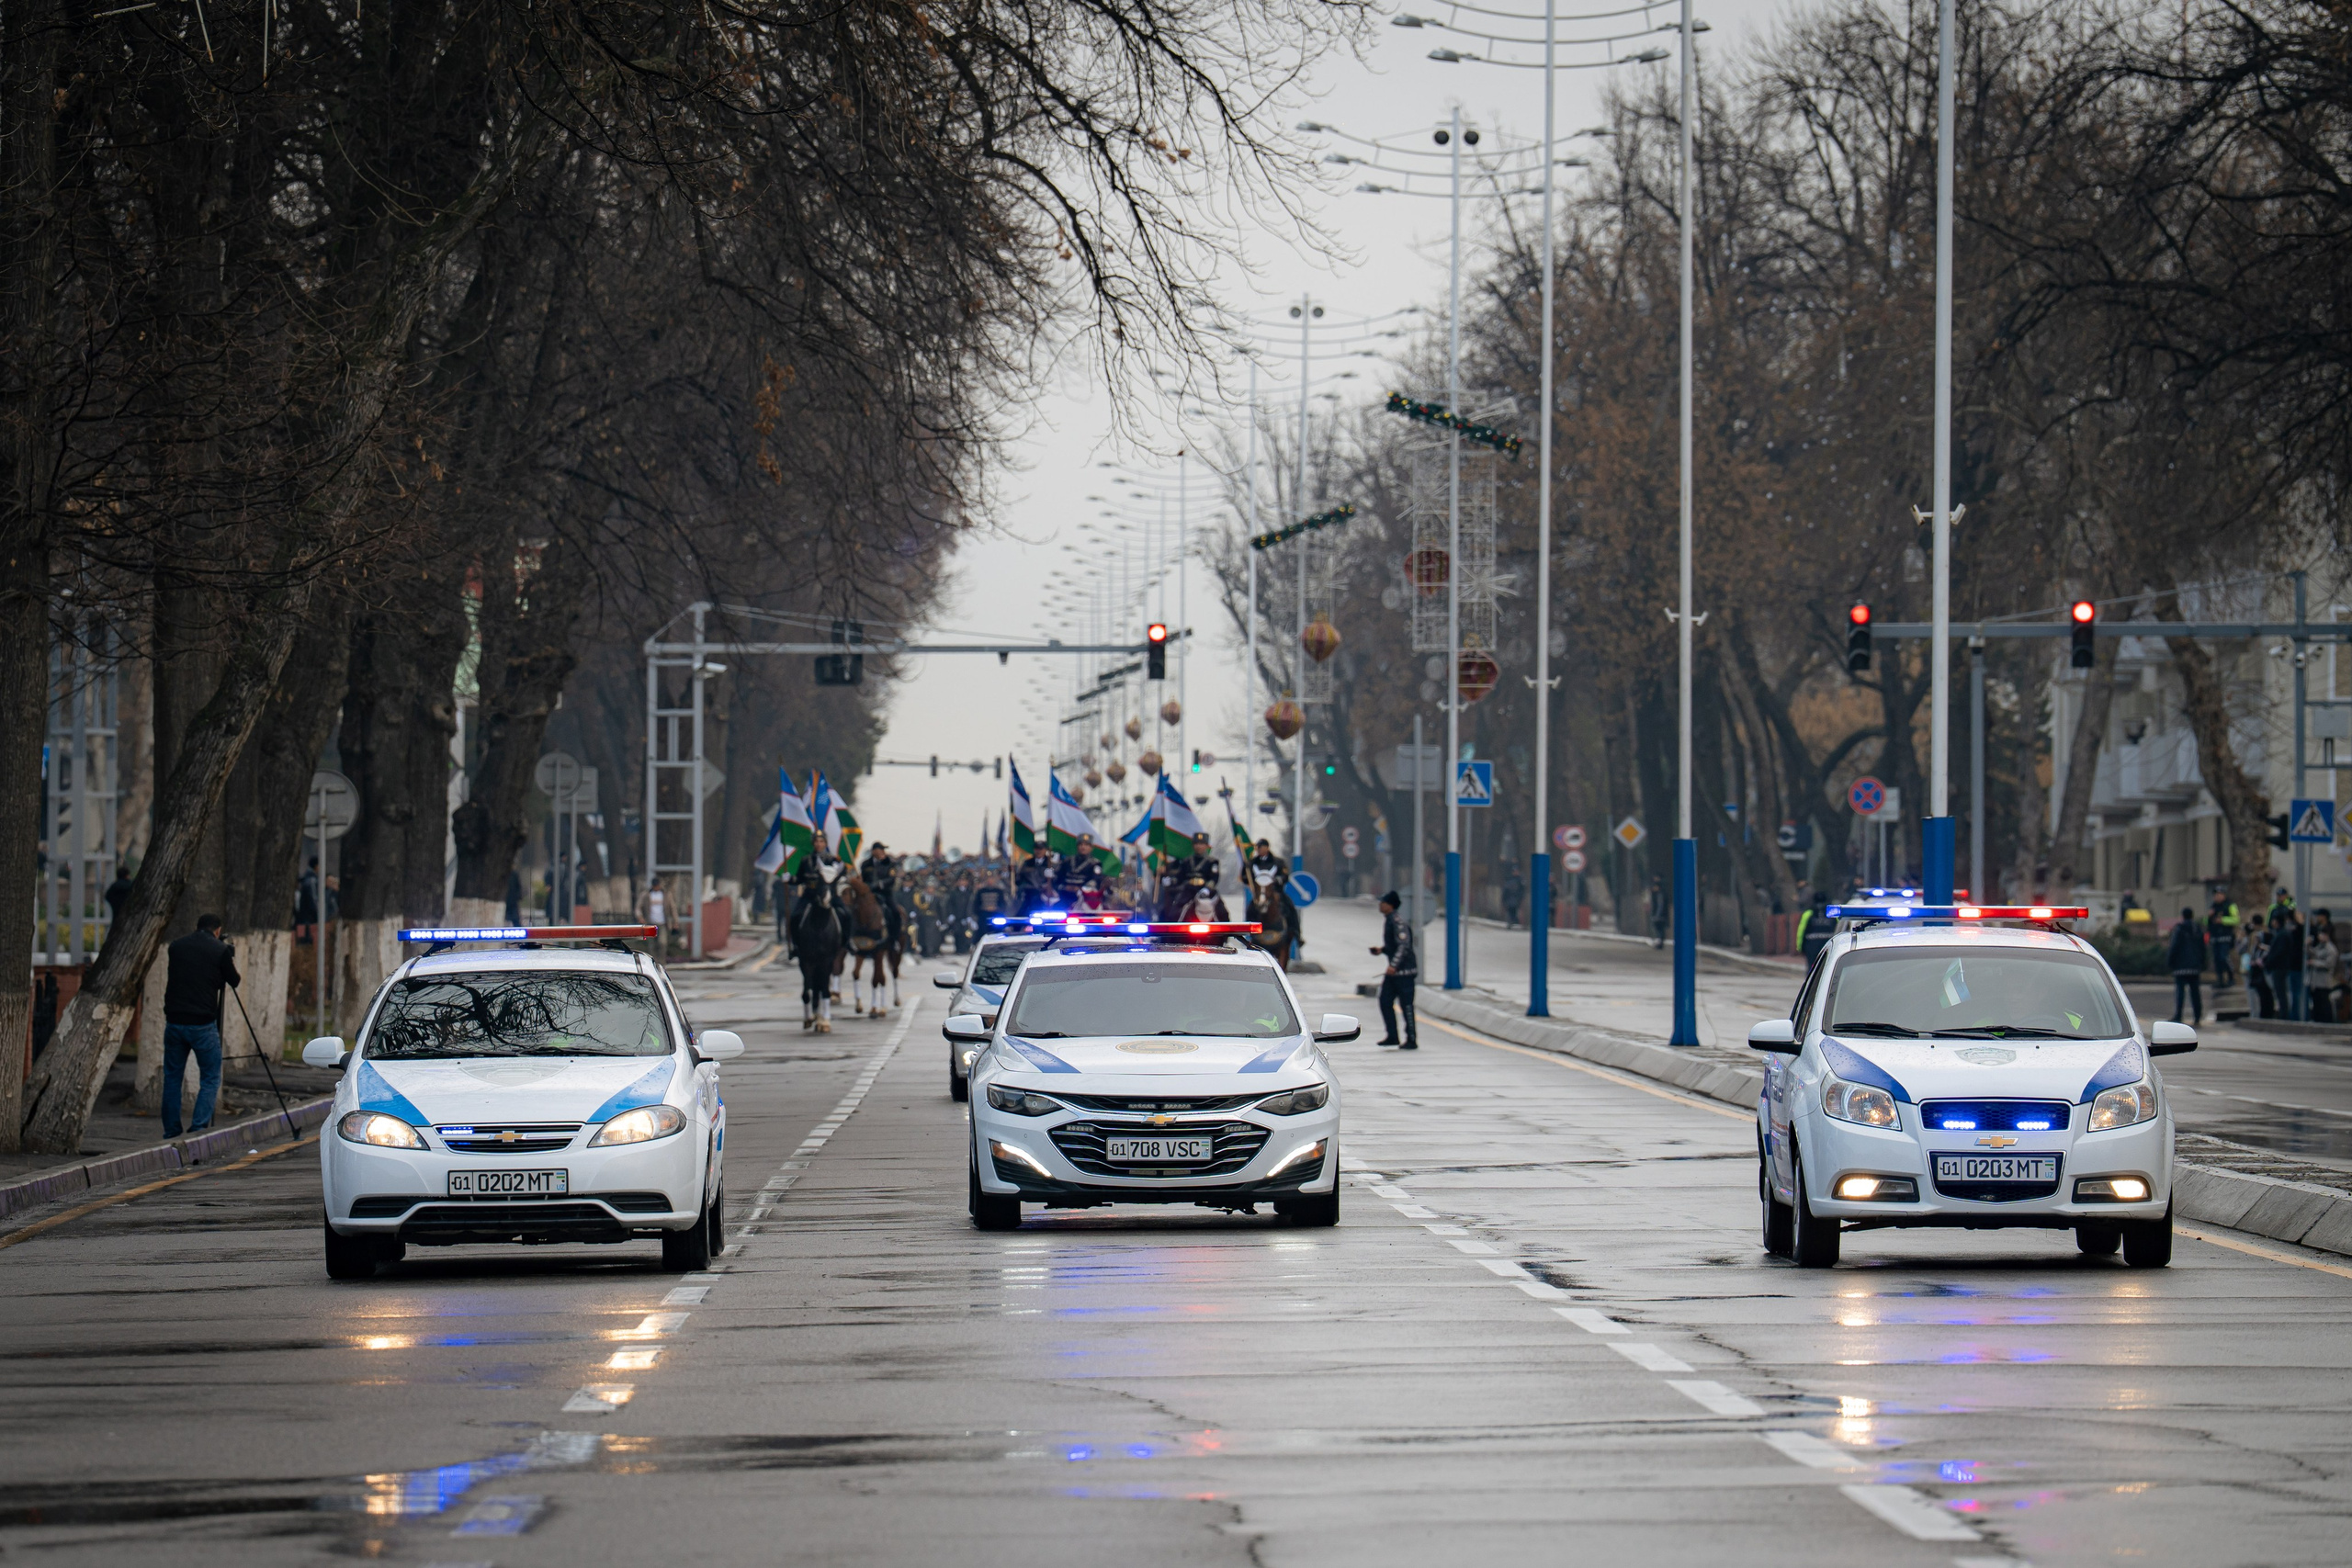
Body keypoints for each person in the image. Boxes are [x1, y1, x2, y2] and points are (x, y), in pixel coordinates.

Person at [161, 914, 241, 1139]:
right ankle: (197, 1130)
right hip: (202, 1024)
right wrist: (226, 955)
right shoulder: (219, 950)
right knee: (211, 1077)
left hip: (175, 1021)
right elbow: (234, 981)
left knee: (172, 1078)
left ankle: (171, 1131)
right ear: (217, 930)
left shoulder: (176, 947)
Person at [1369, 889, 1419, 1048]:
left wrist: (1393, 965)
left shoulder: (1398, 922)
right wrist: (1381, 950)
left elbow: (1404, 946)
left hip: (1404, 973)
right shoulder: (1389, 920)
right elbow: (1394, 945)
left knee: (1407, 1006)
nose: (1380, 905)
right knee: (1385, 1001)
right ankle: (1392, 1035)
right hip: (1394, 973)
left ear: (1390, 905)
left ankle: (1411, 1039)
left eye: (1383, 902)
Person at [2167, 908, 2208, 1027]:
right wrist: (2202, 962)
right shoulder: (2198, 929)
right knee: (2195, 991)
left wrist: (2170, 961)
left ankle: (2179, 1014)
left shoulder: (2179, 929)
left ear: (2183, 916)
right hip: (2194, 966)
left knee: (2180, 991)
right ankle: (2197, 1016)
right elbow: (2203, 947)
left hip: (2181, 966)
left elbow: (2174, 946)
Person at [2265, 907, 2306, 1021]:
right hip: (2281, 967)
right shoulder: (2282, 933)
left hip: (2280, 967)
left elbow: (2279, 952)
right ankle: (2285, 1014)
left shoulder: (2283, 934)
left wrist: (2269, 962)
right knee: (2282, 993)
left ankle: (2285, 1015)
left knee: (2283, 993)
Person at [2309, 911, 2343, 1025]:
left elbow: (2329, 964)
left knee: (2324, 1003)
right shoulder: (2321, 946)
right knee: (2317, 1001)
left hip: (2324, 981)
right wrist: (2307, 945)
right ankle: (2318, 1020)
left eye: (2322, 934)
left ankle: (2326, 1021)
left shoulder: (2331, 949)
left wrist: (2314, 963)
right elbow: (2314, 953)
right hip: (2316, 981)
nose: (2320, 937)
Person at [2244, 914, 2274, 1018]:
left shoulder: (2265, 937)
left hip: (2263, 973)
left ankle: (2262, 1015)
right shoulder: (2251, 938)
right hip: (2255, 973)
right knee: (2258, 996)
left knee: (2264, 996)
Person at [2207, 895, 2239, 992]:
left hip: (2226, 936)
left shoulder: (2230, 905)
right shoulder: (2213, 906)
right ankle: (2220, 980)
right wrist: (2209, 917)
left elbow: (2236, 919)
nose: (2216, 897)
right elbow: (2208, 922)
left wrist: (2222, 920)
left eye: (2218, 895)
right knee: (2217, 959)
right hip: (2215, 937)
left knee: (2224, 957)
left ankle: (2231, 977)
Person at [1648, 875, 1668, 949]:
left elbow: (1660, 905)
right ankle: (1659, 943)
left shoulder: (1659, 895)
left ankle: (1660, 943)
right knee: (1659, 930)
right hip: (1660, 915)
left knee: (1659, 930)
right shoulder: (1657, 894)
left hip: (1660, 916)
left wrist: (1657, 915)